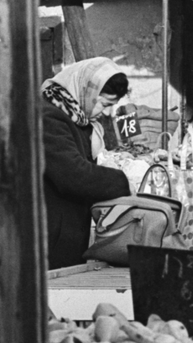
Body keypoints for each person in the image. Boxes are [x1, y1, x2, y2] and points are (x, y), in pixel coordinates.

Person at [42, 57, 133, 269]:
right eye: (104, 104)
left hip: (67, 237)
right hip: (50, 239)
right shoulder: (49, 117)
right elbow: (74, 175)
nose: (106, 112)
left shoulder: (78, 119)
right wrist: (125, 181)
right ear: (87, 91)